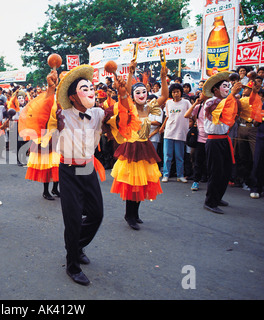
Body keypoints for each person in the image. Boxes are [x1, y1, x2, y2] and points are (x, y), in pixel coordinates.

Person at [29, 65, 105, 286]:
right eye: (84, 88)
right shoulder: (60, 113)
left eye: (91, 87)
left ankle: (77, 245)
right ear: (73, 96)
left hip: (88, 168)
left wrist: (122, 92)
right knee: (72, 220)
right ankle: (72, 265)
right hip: (68, 170)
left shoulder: (99, 113)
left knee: (96, 214)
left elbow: (126, 118)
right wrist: (51, 89)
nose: (91, 91)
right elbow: (41, 116)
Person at [108, 61, 168, 231]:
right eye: (137, 92)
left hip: (144, 148)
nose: (141, 94)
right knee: (132, 184)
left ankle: (135, 214)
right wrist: (130, 73)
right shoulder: (130, 108)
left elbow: (164, 96)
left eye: (144, 92)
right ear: (133, 95)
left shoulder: (149, 108)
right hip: (131, 149)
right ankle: (129, 215)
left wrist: (163, 79)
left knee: (142, 183)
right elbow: (125, 92)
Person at [202, 72, 242, 214]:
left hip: (225, 139)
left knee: (225, 171)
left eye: (228, 86)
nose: (227, 89)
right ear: (215, 90)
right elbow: (220, 110)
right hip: (214, 141)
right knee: (216, 172)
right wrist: (232, 94)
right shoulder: (211, 102)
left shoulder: (228, 100)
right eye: (224, 86)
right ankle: (210, 201)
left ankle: (218, 197)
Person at [160, 83, 192, 183]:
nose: (176, 94)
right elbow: (167, 116)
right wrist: (162, 127)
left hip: (181, 132)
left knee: (179, 156)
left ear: (180, 92)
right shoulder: (168, 103)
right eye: (174, 92)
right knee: (167, 156)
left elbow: (191, 114)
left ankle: (180, 175)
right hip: (169, 132)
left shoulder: (186, 102)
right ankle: (166, 175)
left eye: (177, 92)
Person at [184, 95, 208, 191]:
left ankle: (208, 180)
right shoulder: (199, 107)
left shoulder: (214, 106)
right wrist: (195, 103)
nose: (202, 94)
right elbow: (186, 115)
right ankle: (196, 181)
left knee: (210, 162)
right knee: (198, 161)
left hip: (212, 138)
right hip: (200, 139)